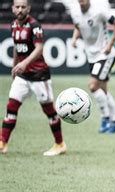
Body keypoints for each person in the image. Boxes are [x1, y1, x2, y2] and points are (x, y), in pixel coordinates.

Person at [0, 0, 66, 156]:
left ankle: (60, 144)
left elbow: (39, 48)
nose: (20, 10)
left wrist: (24, 63)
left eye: (23, 7)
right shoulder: (14, 25)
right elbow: (17, 46)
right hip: (23, 76)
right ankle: (3, 142)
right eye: (17, 7)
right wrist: (14, 66)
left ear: (28, 8)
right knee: (11, 107)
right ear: (13, 8)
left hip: (39, 75)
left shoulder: (34, 26)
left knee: (49, 111)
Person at [70, 0, 115, 133]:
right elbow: (78, 26)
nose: (82, 2)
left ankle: (105, 118)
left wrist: (110, 45)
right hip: (92, 56)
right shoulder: (75, 13)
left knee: (93, 86)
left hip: (105, 55)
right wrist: (74, 38)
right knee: (103, 90)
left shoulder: (99, 12)